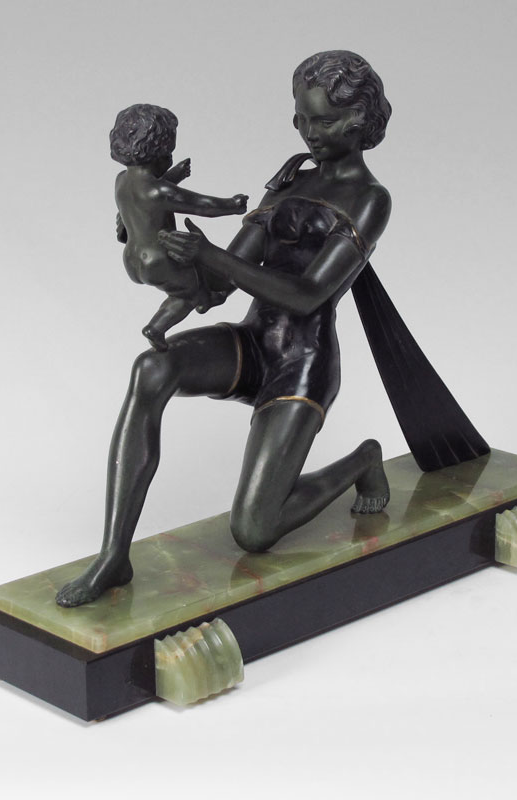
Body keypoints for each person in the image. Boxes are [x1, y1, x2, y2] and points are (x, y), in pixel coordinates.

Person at [57, 50, 487, 609]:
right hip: (253, 345)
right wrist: (154, 238)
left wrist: (211, 255)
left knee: (254, 530)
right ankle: (114, 555)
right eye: (301, 118)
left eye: (323, 121)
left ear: (359, 119)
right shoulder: (288, 183)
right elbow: (221, 286)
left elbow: (309, 294)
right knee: (151, 369)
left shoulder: (370, 200)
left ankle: (362, 460)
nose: (309, 132)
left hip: (301, 366)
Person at [110, 103, 248, 350]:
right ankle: (158, 327)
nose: (170, 158)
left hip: (132, 258)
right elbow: (202, 205)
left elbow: (146, 200)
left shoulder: (121, 181)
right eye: (168, 153)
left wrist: (175, 176)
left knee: (194, 273)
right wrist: (232, 205)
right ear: (156, 152)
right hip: (160, 260)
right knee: (186, 295)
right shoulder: (160, 191)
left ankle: (205, 295)